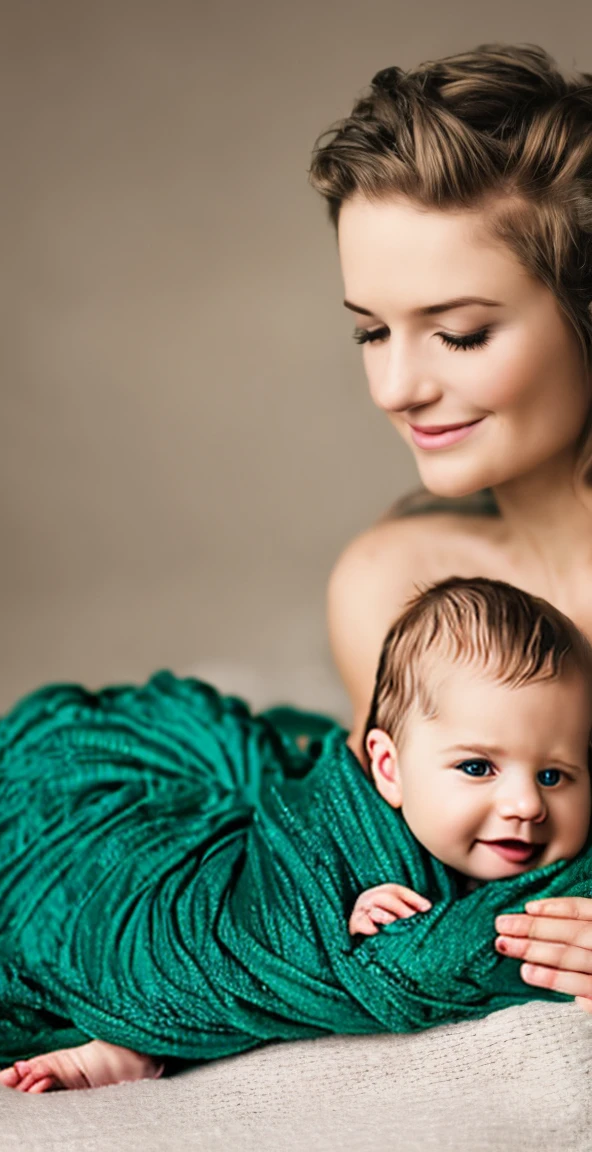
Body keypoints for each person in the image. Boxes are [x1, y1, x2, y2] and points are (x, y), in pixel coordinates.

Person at [0, 575, 592, 1092]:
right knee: (155, 917)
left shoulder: (565, 873)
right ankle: (137, 1032)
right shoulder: (349, 832)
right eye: (477, 767)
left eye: (552, 774)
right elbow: (295, 917)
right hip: (233, 886)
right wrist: (353, 910)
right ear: (388, 770)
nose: (525, 804)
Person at [307, 40, 592, 1017]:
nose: (397, 388)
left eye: (461, 333)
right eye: (371, 331)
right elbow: (398, 892)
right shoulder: (395, 585)